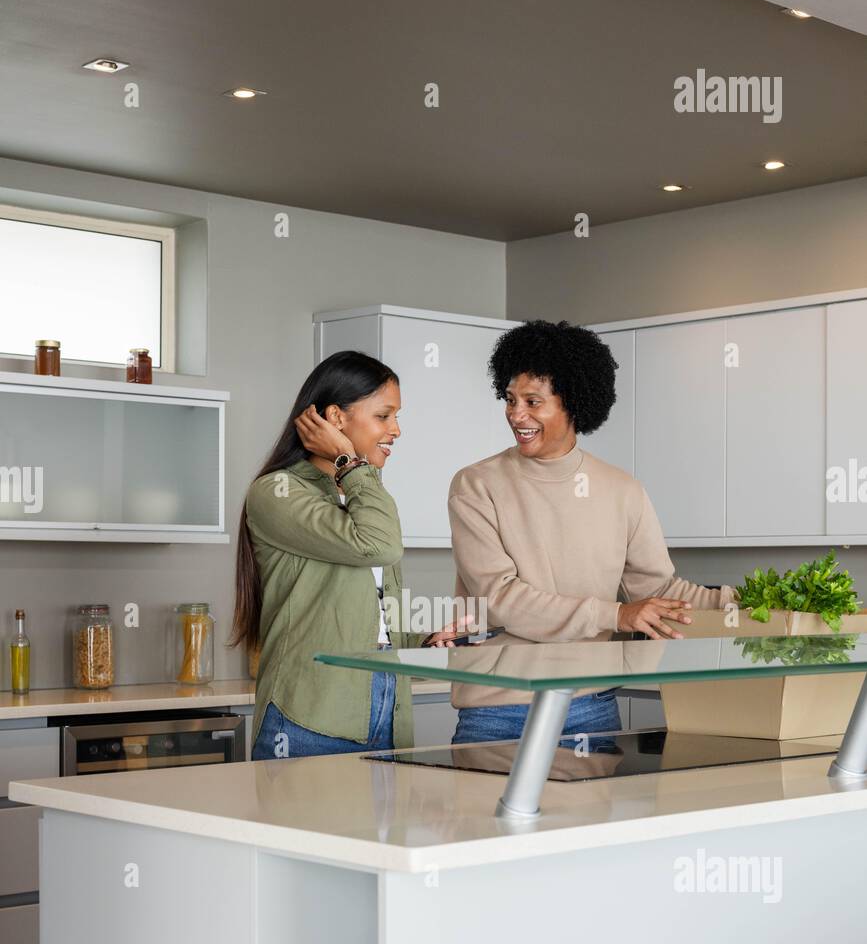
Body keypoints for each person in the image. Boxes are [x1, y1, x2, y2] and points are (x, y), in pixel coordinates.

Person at [447, 319, 736, 745]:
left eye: (533, 401)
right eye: (510, 399)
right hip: (499, 706)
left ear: (573, 403)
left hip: (591, 705)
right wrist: (615, 615)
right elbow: (501, 598)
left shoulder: (622, 490)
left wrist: (744, 602)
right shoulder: (476, 485)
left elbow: (658, 591)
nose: (515, 414)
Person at [233, 351, 464, 760]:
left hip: (387, 707)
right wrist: (349, 461)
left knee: (386, 825)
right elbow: (378, 544)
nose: (396, 430)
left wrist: (422, 640)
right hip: (309, 714)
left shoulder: (360, 490)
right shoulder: (277, 492)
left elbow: (365, 620)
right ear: (336, 418)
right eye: (384, 416)